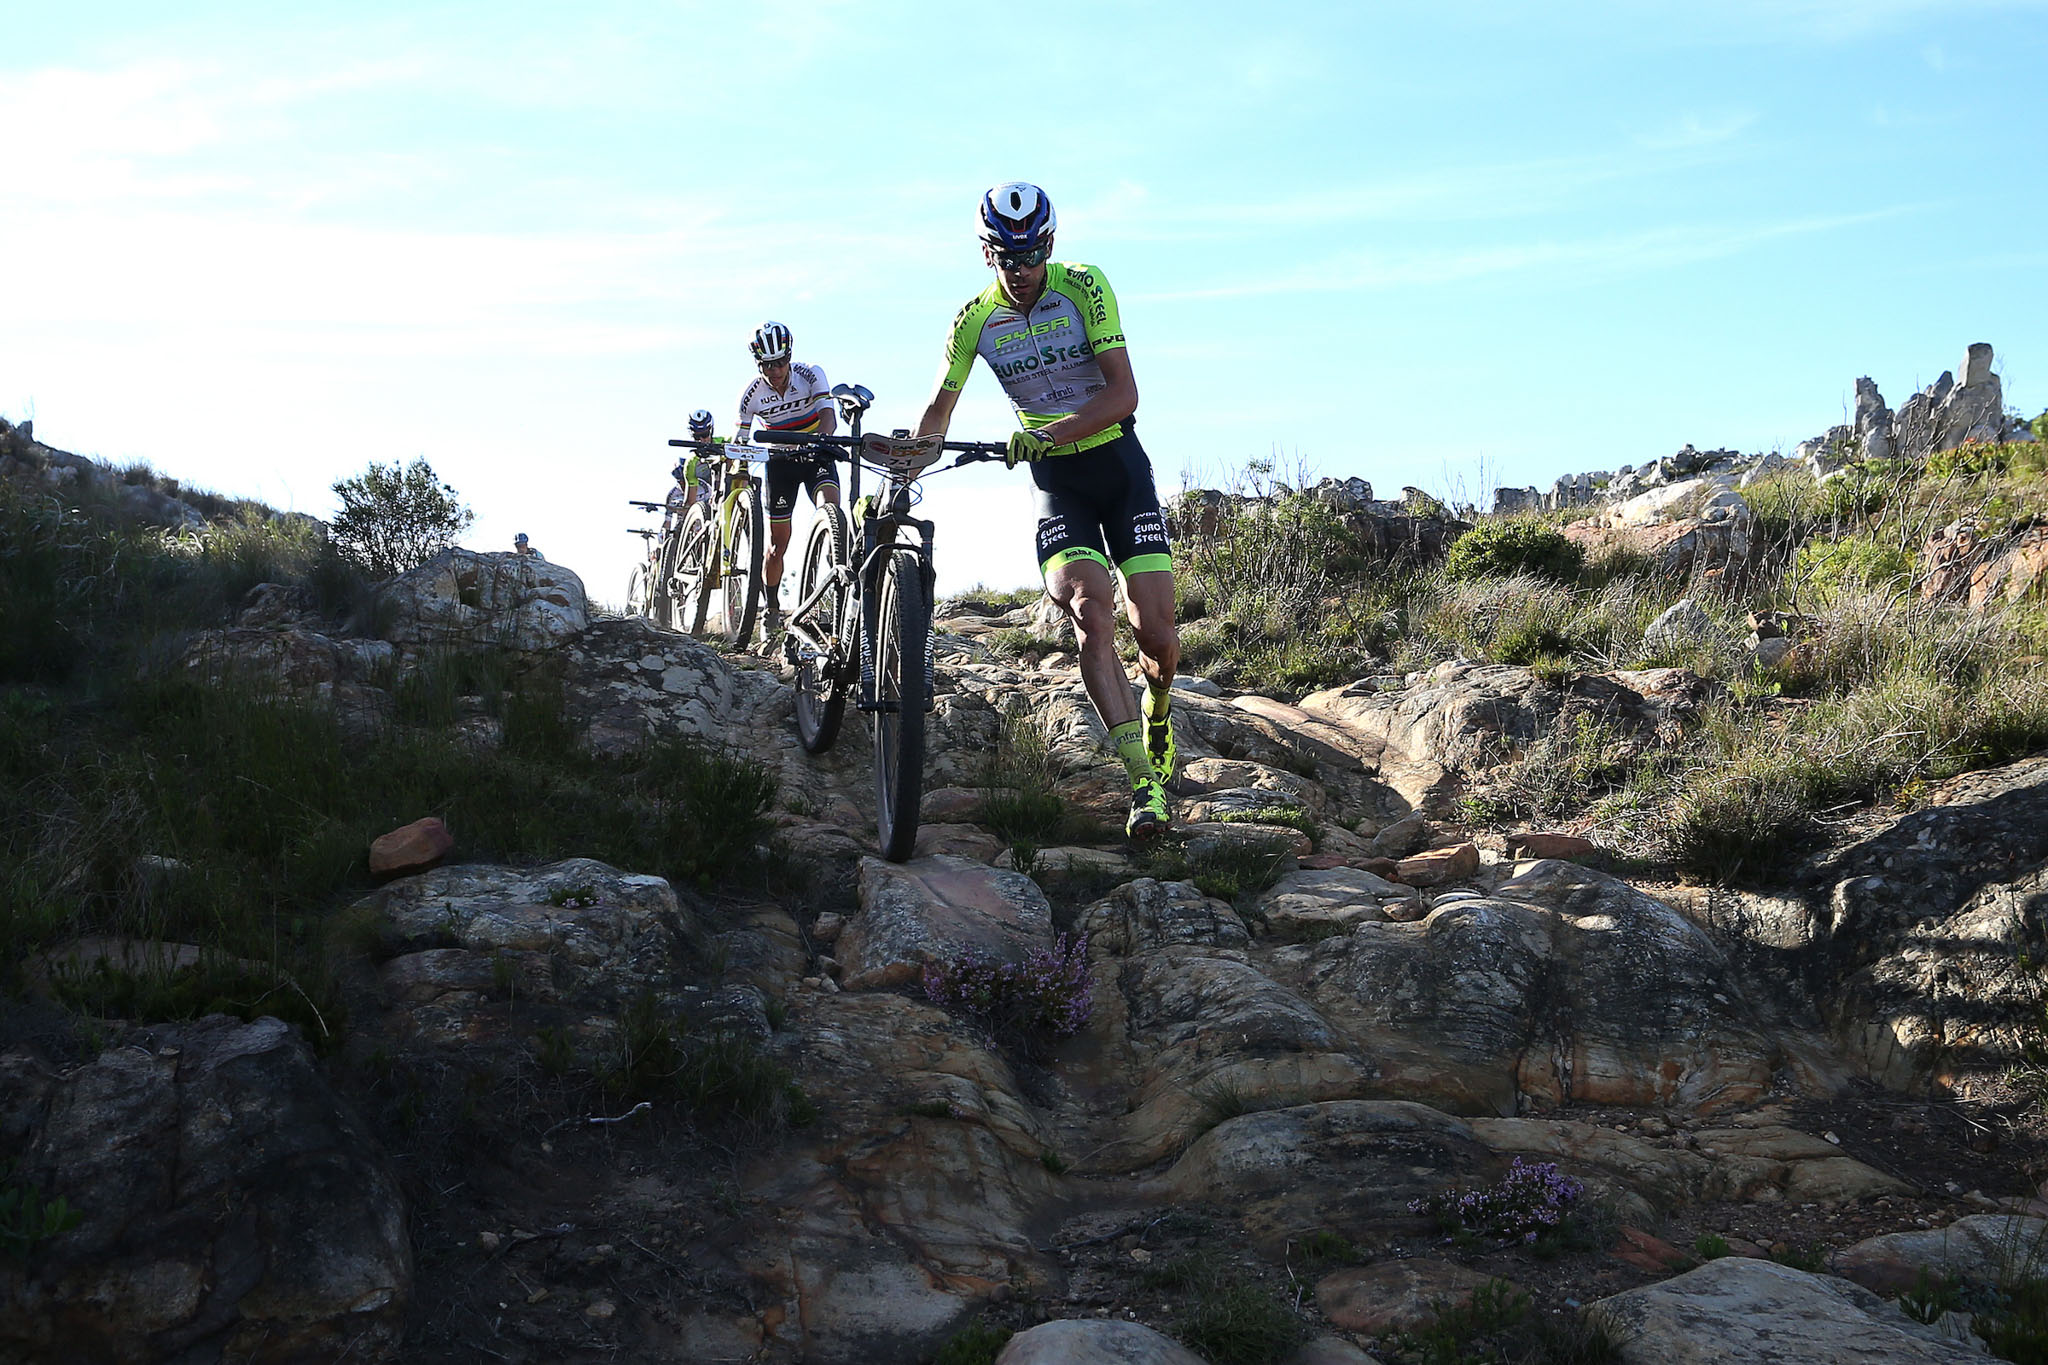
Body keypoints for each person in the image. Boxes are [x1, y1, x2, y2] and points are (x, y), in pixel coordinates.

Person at [915, 182, 1180, 840]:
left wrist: (1052, 430)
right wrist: (905, 458)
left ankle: (1159, 706)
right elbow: (938, 414)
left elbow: (1123, 393)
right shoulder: (973, 319)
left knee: (1158, 637)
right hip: (1057, 481)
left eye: (1031, 255)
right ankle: (1142, 782)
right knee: (1090, 611)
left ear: (1051, 244)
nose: (1022, 270)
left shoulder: (1084, 286)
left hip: (1117, 466)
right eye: (1007, 257)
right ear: (986, 254)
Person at [734, 321, 840, 640]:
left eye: (781, 362)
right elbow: (741, 440)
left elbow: (829, 418)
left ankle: (831, 570)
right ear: (758, 364)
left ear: (789, 356)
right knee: (777, 545)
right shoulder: (751, 393)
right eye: (768, 364)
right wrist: (738, 468)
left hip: (814, 453)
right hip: (779, 462)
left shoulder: (810, 374)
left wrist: (816, 443)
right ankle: (773, 607)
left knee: (831, 510)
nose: (776, 370)